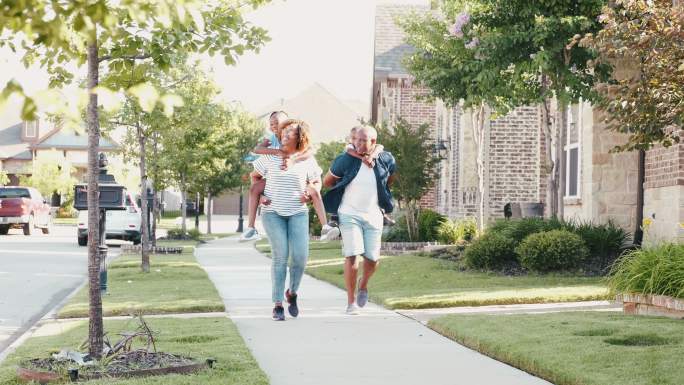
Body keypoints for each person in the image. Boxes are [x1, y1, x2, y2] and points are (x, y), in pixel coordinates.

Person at [252, 119, 322, 321]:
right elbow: (254, 178)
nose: (284, 133)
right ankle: (277, 304)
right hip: (272, 212)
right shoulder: (270, 156)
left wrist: (311, 192)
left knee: (300, 257)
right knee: (280, 255)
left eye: (290, 131)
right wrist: (261, 195)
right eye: (284, 130)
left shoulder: (307, 159)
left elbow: (316, 180)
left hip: (298, 212)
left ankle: (292, 293)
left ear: (300, 137)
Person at [322, 125, 396, 314]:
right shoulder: (345, 160)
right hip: (349, 213)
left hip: (373, 214)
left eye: (364, 141)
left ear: (373, 142)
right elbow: (327, 181)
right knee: (352, 254)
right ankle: (351, 302)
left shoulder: (385, 159)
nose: (359, 143)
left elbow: (389, 181)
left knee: (373, 259)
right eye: (357, 140)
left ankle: (363, 285)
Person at [241, 112, 339, 242]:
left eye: (280, 124)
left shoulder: (297, 143)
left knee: (314, 190)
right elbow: (257, 150)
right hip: (273, 177)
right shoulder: (270, 139)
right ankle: (250, 228)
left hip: (293, 180)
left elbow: (310, 152)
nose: (275, 127)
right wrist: (277, 152)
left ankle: (325, 227)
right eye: (272, 124)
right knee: (255, 189)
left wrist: (294, 159)